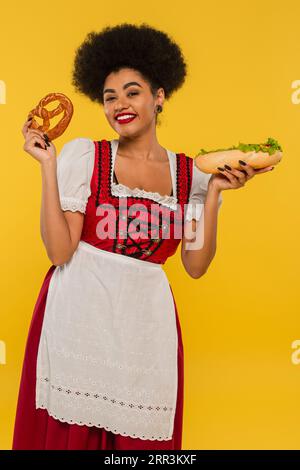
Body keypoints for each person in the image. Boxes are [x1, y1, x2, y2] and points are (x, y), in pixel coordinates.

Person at [12, 22, 273, 450]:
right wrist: (47, 167)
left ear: (159, 96)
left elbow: (195, 266)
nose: (120, 105)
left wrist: (214, 197)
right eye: (110, 97)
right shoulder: (86, 157)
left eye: (132, 92)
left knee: (141, 444)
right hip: (79, 314)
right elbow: (60, 251)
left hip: (143, 323)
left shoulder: (191, 175)